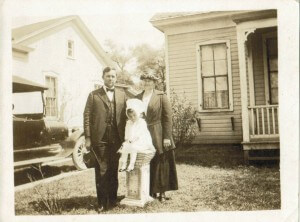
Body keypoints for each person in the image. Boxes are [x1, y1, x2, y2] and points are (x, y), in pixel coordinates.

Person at [83, 67, 127, 212]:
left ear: (116, 78)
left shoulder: (122, 95)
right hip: (99, 139)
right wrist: (88, 138)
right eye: (108, 76)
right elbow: (87, 117)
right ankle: (102, 202)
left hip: (116, 139)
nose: (111, 79)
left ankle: (113, 200)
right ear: (103, 77)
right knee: (101, 171)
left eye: (113, 76)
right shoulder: (94, 95)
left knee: (113, 170)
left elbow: (128, 116)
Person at [136, 72, 178, 202]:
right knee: (147, 160)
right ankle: (150, 191)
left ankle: (162, 192)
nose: (147, 83)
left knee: (161, 161)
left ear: (154, 83)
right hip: (144, 132)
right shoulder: (137, 97)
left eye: (150, 80)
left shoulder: (161, 96)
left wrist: (166, 137)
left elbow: (167, 118)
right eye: (145, 80)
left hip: (158, 132)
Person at [118, 98, 156, 172]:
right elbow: (127, 132)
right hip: (131, 140)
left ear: (138, 113)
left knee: (133, 147)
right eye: (130, 116)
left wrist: (133, 140)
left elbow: (140, 133)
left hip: (142, 140)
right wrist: (127, 139)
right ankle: (123, 164)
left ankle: (131, 165)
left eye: (134, 115)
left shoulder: (142, 122)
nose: (133, 118)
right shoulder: (128, 122)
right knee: (125, 147)